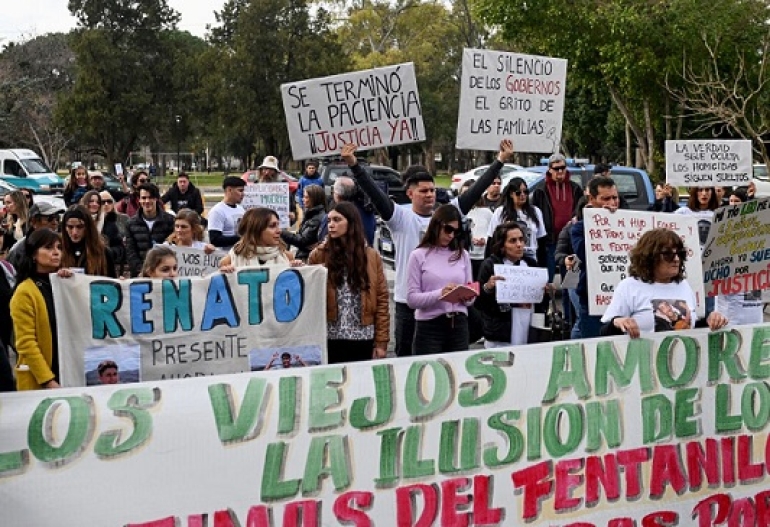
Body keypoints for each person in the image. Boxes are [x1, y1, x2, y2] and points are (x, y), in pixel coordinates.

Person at [343, 140, 515, 357]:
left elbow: (475, 191)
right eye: (423, 191)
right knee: (407, 360)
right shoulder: (400, 217)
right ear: (410, 194)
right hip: (409, 304)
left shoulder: (446, 214)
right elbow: (375, 194)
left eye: (432, 190)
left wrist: (500, 161)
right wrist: (354, 165)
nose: (430, 195)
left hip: (445, 310)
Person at [601, 228, 728, 337]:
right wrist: (617, 322)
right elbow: (604, 332)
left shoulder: (683, 285)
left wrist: (710, 320)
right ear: (650, 257)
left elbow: (692, 328)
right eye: (668, 254)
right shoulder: (629, 286)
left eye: (679, 254)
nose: (676, 259)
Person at [308, 201, 389, 363]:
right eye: (329, 220)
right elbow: (310, 296)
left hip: (363, 336)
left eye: (337, 220)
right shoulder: (319, 254)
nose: (331, 225)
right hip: (330, 336)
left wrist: (381, 342)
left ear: (351, 223)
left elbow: (381, 300)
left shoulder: (371, 256)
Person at [10, 228, 74, 390]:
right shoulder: (24, 292)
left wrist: (73, 283)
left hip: (68, 373)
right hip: (39, 381)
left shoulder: (62, 284)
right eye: (48, 247)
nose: (56, 252)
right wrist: (48, 380)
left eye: (59, 247)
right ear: (33, 254)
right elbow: (26, 343)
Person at [406, 204, 474, 354]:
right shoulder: (418, 255)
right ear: (436, 225)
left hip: (458, 323)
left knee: (458, 367)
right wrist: (440, 294)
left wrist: (468, 295)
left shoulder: (462, 255)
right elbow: (411, 299)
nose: (451, 235)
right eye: (448, 229)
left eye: (455, 232)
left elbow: (470, 294)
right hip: (430, 325)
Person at [571, 176, 620, 338]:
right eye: (606, 199)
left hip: (623, 300)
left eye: (615, 198)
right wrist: (596, 222)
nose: (612, 203)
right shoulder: (579, 228)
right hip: (594, 300)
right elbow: (586, 254)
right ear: (592, 199)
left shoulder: (629, 225)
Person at [476, 222, 539, 347]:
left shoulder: (530, 263)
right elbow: (479, 303)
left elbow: (540, 301)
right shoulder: (490, 265)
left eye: (521, 239)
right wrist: (488, 288)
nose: (519, 244)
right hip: (500, 333)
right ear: (502, 246)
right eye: (513, 241)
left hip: (527, 328)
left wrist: (546, 291)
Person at [531, 154, 583, 280]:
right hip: (550, 241)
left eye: (563, 168)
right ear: (549, 170)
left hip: (571, 240)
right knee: (546, 279)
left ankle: (568, 294)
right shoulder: (540, 190)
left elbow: (582, 210)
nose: (560, 171)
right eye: (556, 168)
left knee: (571, 281)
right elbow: (534, 214)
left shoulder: (575, 188)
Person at [715, 190, 763, 325]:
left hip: (750, 281)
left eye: (737, 201)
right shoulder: (722, 223)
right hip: (728, 281)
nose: (733, 204)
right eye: (731, 201)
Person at [487, 176, 547, 265]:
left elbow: (541, 240)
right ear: (511, 194)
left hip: (531, 259)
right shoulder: (500, 212)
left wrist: (543, 265)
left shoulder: (535, 212)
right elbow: (491, 239)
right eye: (518, 193)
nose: (523, 195)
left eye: (525, 192)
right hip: (506, 260)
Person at [219, 208, 299, 270]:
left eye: (278, 225)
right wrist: (226, 273)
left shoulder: (287, 257)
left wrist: (297, 270)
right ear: (256, 230)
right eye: (272, 226)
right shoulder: (230, 260)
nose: (279, 230)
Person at [125, 183, 175, 277]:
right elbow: (131, 252)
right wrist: (142, 272)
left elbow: (172, 248)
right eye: (143, 198)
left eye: (150, 197)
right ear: (139, 200)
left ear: (156, 199)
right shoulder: (130, 224)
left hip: (164, 274)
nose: (147, 201)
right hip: (140, 275)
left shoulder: (170, 220)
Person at [318, 175, 377, 245]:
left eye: (333, 191)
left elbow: (322, 238)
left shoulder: (333, 216)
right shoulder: (367, 210)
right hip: (365, 250)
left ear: (337, 195)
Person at [61, 205, 116, 277]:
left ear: (88, 227)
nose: (74, 232)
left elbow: (112, 280)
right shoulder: (59, 250)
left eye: (80, 227)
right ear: (65, 227)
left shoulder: (103, 252)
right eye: (70, 227)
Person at [281, 184, 326, 261]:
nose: (303, 199)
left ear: (314, 199)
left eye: (306, 197)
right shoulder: (311, 214)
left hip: (306, 257)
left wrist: (282, 232)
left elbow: (302, 241)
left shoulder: (316, 218)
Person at [460, 179, 494, 279]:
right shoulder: (459, 212)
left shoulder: (487, 212)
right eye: (464, 193)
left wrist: (484, 240)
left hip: (482, 256)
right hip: (463, 256)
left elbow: (492, 232)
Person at [255, 156, 297, 224]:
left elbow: (293, 209)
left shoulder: (283, 190)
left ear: (275, 173)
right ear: (261, 171)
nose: (267, 173)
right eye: (265, 169)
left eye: (271, 170)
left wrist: (293, 216)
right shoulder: (253, 188)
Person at [208, 176, 246, 250]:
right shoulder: (217, 211)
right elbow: (215, 240)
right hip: (225, 254)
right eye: (240, 190)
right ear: (229, 190)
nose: (243, 194)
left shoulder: (241, 209)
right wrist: (241, 239)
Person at [1, 190, 29, 255]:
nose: (6, 206)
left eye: (8, 202)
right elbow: (4, 245)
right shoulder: (7, 221)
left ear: (19, 203)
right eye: (5, 203)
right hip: (13, 257)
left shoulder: (30, 220)